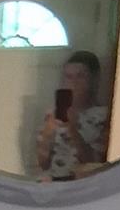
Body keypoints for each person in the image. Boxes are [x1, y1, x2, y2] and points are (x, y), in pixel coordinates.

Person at [36, 50, 110, 180]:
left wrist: (72, 128)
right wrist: (48, 133)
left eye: (80, 76)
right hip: (53, 183)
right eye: (68, 77)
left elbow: (94, 162)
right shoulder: (53, 114)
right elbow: (43, 164)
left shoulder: (104, 116)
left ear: (94, 80)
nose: (74, 83)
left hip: (82, 183)